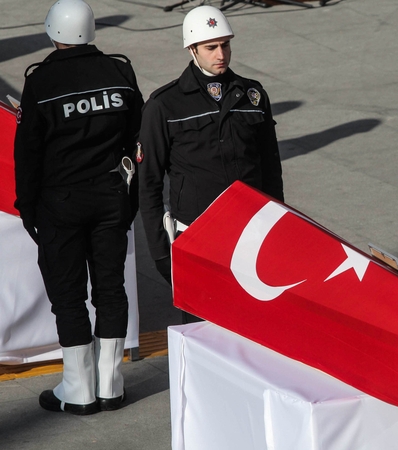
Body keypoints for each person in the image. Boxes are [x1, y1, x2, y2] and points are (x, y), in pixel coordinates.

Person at [14, 0, 143, 415]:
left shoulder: (41, 81)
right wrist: (129, 201)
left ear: (53, 32)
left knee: (68, 296)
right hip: (110, 199)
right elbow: (136, 145)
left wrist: (28, 209)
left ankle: (78, 388)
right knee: (110, 289)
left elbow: (28, 154)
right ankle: (111, 383)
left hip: (61, 204)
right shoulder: (120, 73)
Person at [138, 5, 284, 295]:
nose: (221, 54)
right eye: (211, 47)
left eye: (226, 45)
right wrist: (160, 254)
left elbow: (271, 169)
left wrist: (277, 229)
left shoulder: (252, 95)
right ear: (192, 49)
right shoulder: (164, 105)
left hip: (250, 236)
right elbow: (149, 185)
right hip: (197, 238)